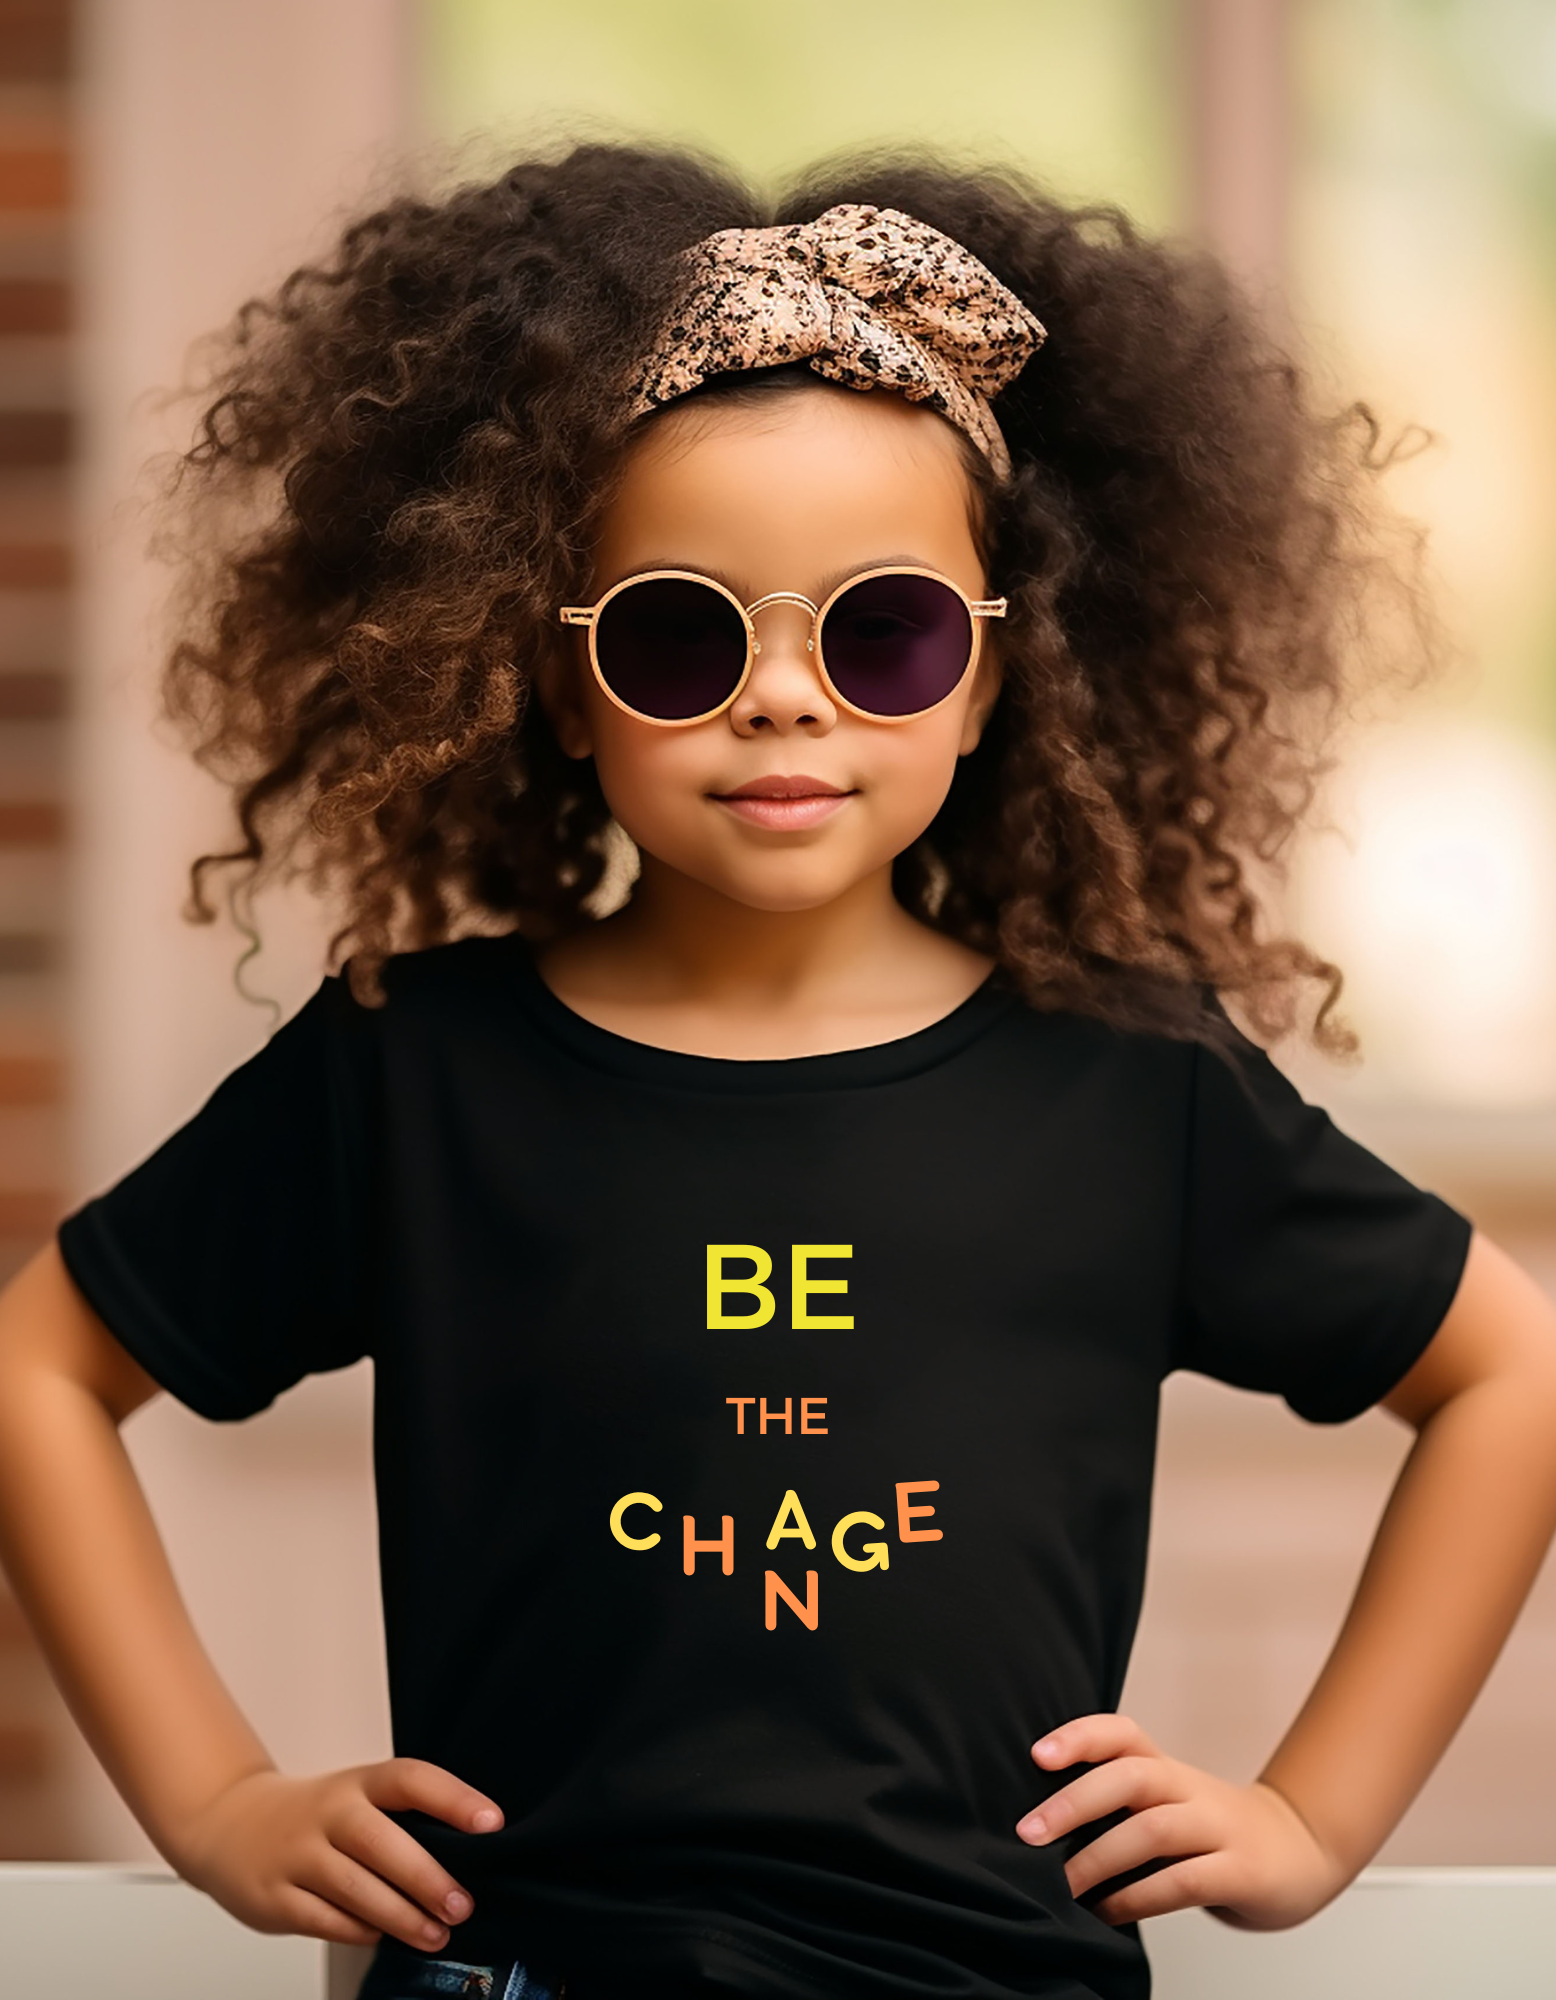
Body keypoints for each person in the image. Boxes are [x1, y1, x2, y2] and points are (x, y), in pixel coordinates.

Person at [1, 139, 1555, 2000]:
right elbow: (38, 1366)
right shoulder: (414, 1079)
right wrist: (216, 1796)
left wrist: (1314, 1813)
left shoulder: (1134, 1087)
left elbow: (1508, 1376)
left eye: (883, 631)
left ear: (990, 680)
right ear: (561, 681)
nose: (785, 697)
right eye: (682, 632)